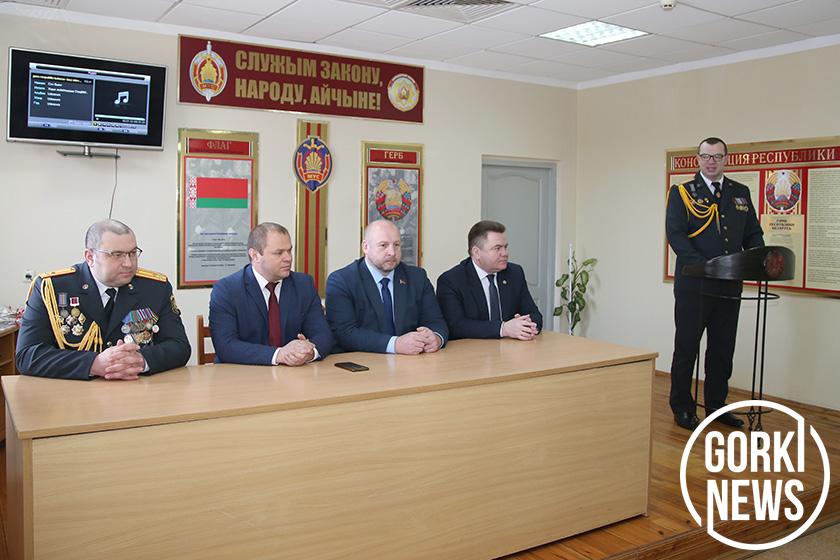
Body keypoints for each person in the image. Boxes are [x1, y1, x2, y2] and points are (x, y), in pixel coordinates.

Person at [666, 137, 765, 430]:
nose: (711, 162)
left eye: (717, 156)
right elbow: (676, 235)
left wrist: (758, 256)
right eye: (706, 156)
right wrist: (704, 266)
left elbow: (752, 233)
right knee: (687, 348)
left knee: (722, 349)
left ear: (726, 159)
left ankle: (716, 405)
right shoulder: (683, 192)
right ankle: (682, 407)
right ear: (698, 159)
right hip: (694, 286)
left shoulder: (740, 192)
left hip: (729, 285)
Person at [15, 219, 190, 380]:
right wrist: (93, 363)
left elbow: (180, 346)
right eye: (117, 254)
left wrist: (140, 361)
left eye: (132, 253)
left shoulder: (155, 288)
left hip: (136, 390)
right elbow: (27, 355)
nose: (128, 263)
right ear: (90, 257)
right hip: (72, 395)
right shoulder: (52, 288)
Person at [209, 222, 333, 366]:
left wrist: (309, 352)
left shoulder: (303, 285)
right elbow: (225, 346)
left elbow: (324, 335)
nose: (288, 258)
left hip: (294, 374)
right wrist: (278, 355)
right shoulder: (227, 290)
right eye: (279, 253)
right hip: (243, 374)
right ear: (255, 255)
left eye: (289, 251)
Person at [326, 219, 448, 354]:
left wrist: (436, 338)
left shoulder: (417, 277)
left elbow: (436, 321)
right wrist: (395, 344)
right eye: (383, 245)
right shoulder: (342, 280)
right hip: (365, 361)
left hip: (413, 361)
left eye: (396, 245)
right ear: (365, 247)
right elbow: (344, 332)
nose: (392, 252)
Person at [437, 220, 542, 340]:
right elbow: (456, 326)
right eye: (497, 248)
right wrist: (503, 329)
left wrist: (527, 324)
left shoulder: (514, 273)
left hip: (510, 347)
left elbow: (535, 315)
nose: (505, 253)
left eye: (505, 247)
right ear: (476, 252)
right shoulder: (451, 280)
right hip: (472, 349)